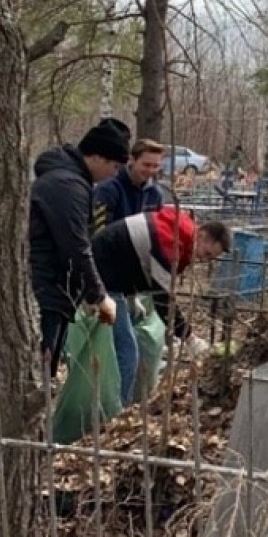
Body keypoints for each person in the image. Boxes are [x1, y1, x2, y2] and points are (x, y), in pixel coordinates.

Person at [29, 118, 131, 377]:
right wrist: (98, 295)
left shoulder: (70, 181)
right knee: (40, 369)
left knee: (45, 367)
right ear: (97, 157)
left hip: (54, 289)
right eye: (114, 165)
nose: (115, 173)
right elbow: (75, 246)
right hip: (46, 289)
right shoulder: (68, 187)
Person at [92, 208, 231, 370]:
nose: (204, 260)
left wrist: (131, 296)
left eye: (210, 258)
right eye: (207, 253)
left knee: (118, 339)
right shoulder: (170, 243)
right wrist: (188, 337)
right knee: (127, 350)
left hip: (109, 274)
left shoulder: (181, 232)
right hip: (102, 280)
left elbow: (137, 261)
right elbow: (163, 300)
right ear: (201, 235)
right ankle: (120, 395)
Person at [92, 138, 166, 403]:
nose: (150, 170)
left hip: (133, 281)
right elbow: (98, 239)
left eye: (156, 166)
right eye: (146, 164)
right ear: (131, 160)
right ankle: (117, 409)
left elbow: (156, 239)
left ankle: (132, 400)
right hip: (106, 281)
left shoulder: (155, 195)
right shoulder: (108, 190)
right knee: (125, 349)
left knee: (146, 343)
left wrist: (137, 290)